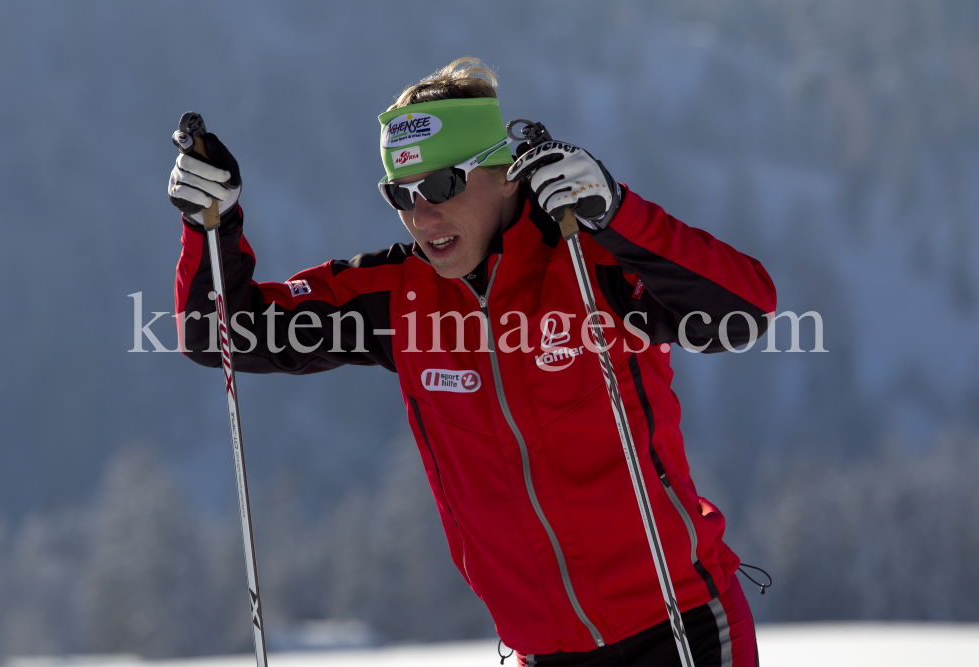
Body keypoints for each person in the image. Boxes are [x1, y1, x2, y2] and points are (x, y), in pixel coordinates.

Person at [169, 57, 776, 667]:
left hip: (681, 625)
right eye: (400, 195)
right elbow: (221, 335)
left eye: (440, 186)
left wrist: (618, 213)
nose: (421, 216)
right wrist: (211, 229)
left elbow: (744, 310)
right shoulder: (397, 295)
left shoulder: (590, 264)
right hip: (542, 650)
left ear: (506, 175)